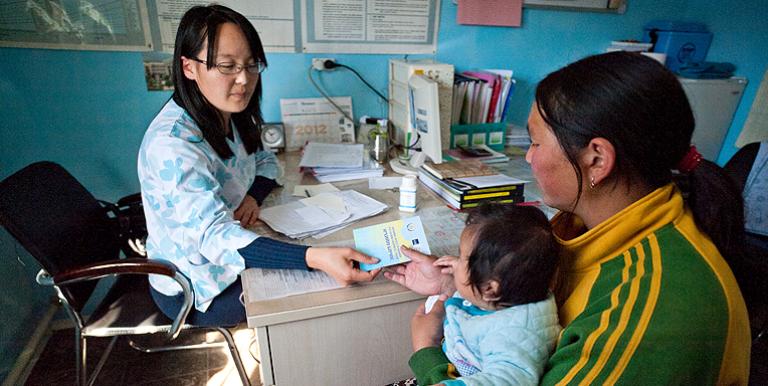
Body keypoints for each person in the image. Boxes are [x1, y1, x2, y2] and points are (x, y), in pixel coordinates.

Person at [387, 51, 751, 385]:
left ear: (597, 159)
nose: (529, 158)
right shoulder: (584, 224)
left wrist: (427, 355)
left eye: (535, 143)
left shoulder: (649, 312)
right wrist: (467, 282)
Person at [138, 4, 378, 326]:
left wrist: (253, 196)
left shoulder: (227, 113)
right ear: (189, 68)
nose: (243, 80)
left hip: (233, 248)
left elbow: (264, 159)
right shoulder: (172, 146)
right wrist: (313, 257)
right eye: (227, 66)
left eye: (251, 65)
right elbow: (214, 237)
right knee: (325, 292)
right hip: (196, 285)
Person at [411, 203, 561, 386]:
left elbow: (506, 379)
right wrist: (450, 282)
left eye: (462, 257)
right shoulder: (512, 295)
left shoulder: (514, 335)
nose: (455, 262)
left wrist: (426, 348)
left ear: (490, 289)